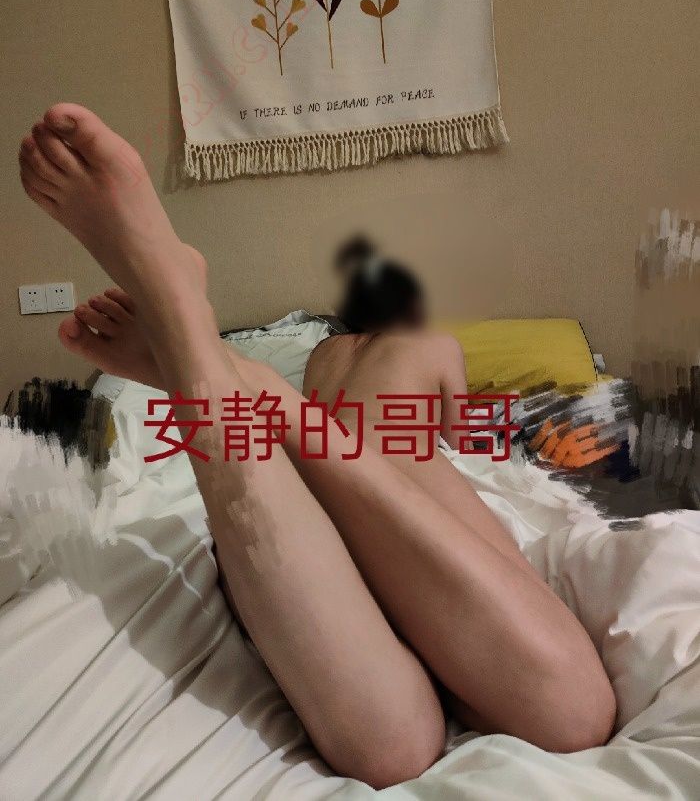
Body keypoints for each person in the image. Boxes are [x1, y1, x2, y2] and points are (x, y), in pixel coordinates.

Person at [18, 104, 616, 789]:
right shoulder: (432, 342)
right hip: (393, 465)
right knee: (568, 712)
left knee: (398, 749)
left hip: (304, 489)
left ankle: (208, 358)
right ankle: (211, 354)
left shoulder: (329, 350)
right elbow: (460, 437)